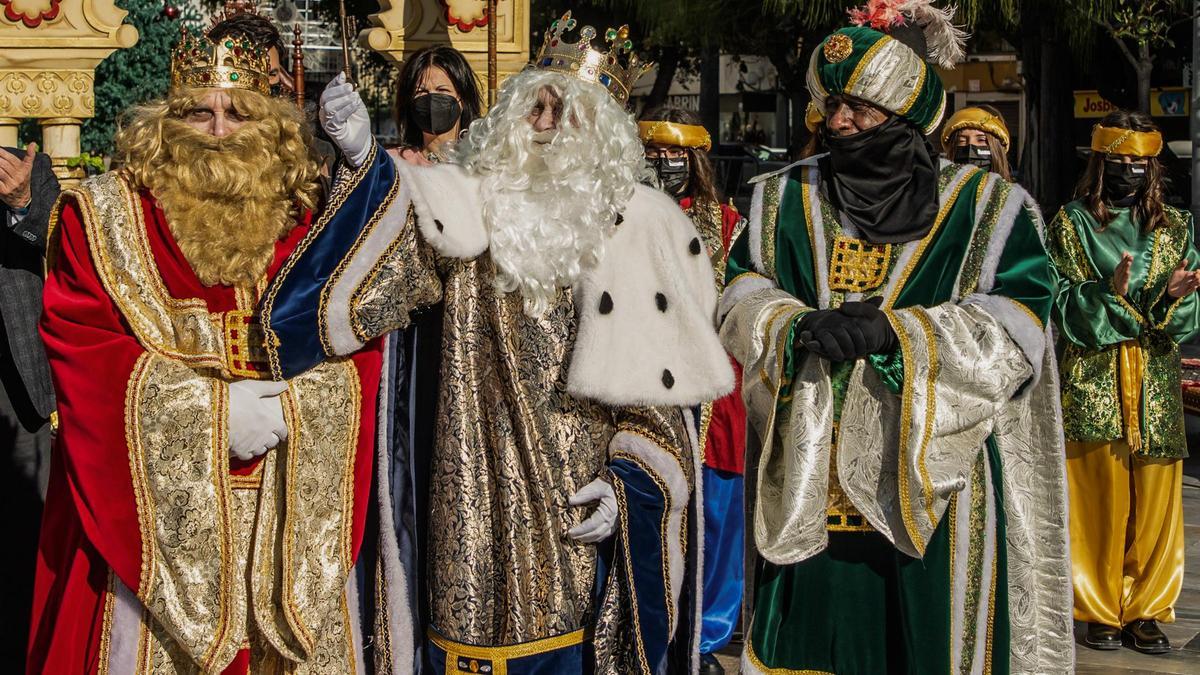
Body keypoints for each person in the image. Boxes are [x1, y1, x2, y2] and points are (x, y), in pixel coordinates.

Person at [261, 11, 732, 673]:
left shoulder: (636, 232)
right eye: (534, 106)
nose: (544, 123)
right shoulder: (469, 205)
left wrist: (628, 484)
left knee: (564, 640)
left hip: (567, 501)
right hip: (464, 492)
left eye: (563, 111)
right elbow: (383, 270)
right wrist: (365, 161)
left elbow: (662, 397)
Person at [719, 2, 1073, 673]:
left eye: (860, 107)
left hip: (937, 492)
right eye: (832, 105)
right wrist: (793, 324)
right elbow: (739, 295)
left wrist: (899, 334)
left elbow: (1019, 325)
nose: (840, 123)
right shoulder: (782, 201)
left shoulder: (990, 210)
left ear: (906, 112)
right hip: (809, 487)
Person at [28, 28, 382, 673]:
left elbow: (355, 334)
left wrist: (299, 407)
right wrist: (212, 414)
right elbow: (81, 348)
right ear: (165, 120)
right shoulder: (101, 215)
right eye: (199, 109)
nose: (218, 128)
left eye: (237, 111)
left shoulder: (307, 218)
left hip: (283, 502)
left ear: (269, 122)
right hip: (145, 524)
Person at [1049, 111, 1199, 655]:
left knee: (1158, 500)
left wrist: (1176, 297)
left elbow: (1191, 313)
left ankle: (1147, 608)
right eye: (1121, 162)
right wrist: (1106, 295)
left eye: (1141, 162)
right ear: (1101, 162)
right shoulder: (1071, 223)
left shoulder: (1175, 227)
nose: (1131, 170)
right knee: (1097, 499)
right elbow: (1060, 302)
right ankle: (1097, 606)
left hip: (1155, 378)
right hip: (1094, 378)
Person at [639, 105, 746, 675]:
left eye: (676, 153)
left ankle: (705, 639)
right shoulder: (619, 216)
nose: (665, 163)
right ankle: (650, 631)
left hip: (712, 395)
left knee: (716, 518)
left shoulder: (729, 224)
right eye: (654, 152)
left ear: (696, 157)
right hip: (641, 389)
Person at [0, 142, 57, 668]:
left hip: (12, 393)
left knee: (20, 542)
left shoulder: (25, 165)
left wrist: (19, 202)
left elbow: (57, 244)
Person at [388, 44, 482, 165]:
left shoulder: (480, 163)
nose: (431, 99)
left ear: (463, 98)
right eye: (421, 91)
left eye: (442, 90)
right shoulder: (394, 163)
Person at [941, 104, 1013, 180]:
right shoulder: (937, 190)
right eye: (961, 141)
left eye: (981, 140)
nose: (970, 146)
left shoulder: (1014, 191)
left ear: (997, 148)